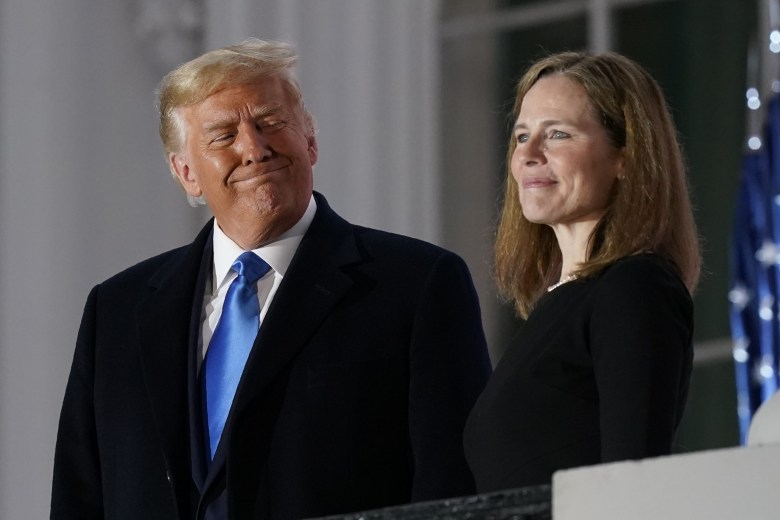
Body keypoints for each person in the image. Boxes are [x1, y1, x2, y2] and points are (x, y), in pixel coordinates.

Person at [51, 38, 492, 520]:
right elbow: (80, 497)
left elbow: (453, 490)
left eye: (271, 123)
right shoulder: (116, 311)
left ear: (311, 140)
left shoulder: (416, 284)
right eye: (223, 135)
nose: (255, 149)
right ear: (186, 174)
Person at [463, 51, 700, 491]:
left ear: (625, 157)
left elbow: (632, 484)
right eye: (520, 136)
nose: (529, 155)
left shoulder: (635, 288)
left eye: (557, 134)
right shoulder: (559, 304)